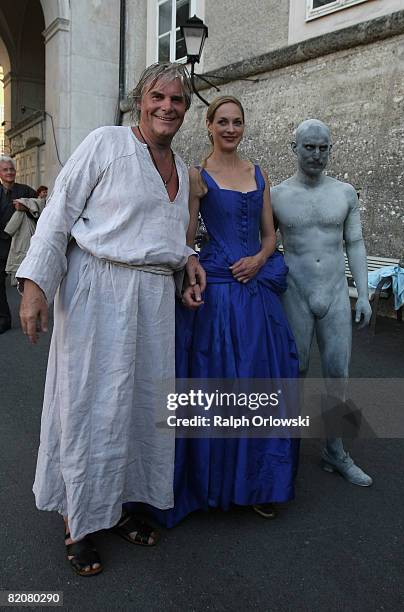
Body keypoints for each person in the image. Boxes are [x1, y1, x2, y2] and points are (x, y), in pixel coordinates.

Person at [17, 62, 205, 576]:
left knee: (137, 408)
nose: (168, 107)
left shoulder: (180, 165)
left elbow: (164, 235)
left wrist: (186, 261)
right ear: (138, 101)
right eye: (158, 97)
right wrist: (36, 285)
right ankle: (78, 519)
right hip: (97, 290)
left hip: (152, 301)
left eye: (178, 101)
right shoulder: (105, 144)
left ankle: (116, 506)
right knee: (88, 406)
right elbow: (58, 214)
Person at [151, 95, 300, 528]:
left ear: (243, 127)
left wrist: (258, 259)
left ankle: (259, 483)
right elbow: (186, 234)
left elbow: (270, 235)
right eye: (223, 122)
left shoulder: (259, 172)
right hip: (218, 290)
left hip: (257, 289)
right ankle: (212, 483)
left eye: (237, 122)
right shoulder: (198, 176)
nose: (231, 129)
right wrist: (189, 269)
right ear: (210, 126)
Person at [271, 119, 372, 487]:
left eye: (323, 148)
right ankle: (284, 451)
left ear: (331, 148)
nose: (316, 155)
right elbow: (265, 246)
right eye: (309, 147)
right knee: (293, 373)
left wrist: (362, 293)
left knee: (338, 374)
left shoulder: (344, 193)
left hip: (333, 293)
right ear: (293, 147)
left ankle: (336, 449)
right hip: (294, 292)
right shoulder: (277, 195)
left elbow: (355, 244)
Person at [0, 156, 36, 333]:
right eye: (5, 170)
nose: (9, 172)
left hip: (22, 245)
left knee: (27, 282)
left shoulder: (26, 190)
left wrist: (27, 207)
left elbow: (43, 208)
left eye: (11, 169)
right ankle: (4, 320)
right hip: (1, 245)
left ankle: (31, 317)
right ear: (0, 173)